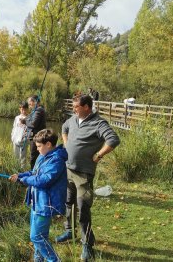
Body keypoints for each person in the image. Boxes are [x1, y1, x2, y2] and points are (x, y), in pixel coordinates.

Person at [56, 94, 120, 261]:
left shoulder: (98, 123)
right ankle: (69, 231)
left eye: (76, 107)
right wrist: (66, 142)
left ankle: (87, 243)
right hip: (67, 169)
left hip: (83, 173)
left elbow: (113, 139)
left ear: (86, 107)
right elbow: (64, 128)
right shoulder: (73, 119)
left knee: (83, 206)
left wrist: (99, 155)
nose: (73, 110)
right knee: (68, 202)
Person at [9, 129, 68, 262]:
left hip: (45, 204)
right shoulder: (43, 156)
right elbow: (35, 173)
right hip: (37, 202)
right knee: (42, 236)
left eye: (39, 146)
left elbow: (44, 180)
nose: (37, 149)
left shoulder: (57, 160)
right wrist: (20, 176)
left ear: (48, 144)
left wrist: (25, 180)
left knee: (36, 237)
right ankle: (38, 260)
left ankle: (54, 260)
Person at [21, 95, 46, 169]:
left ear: (34, 102)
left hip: (37, 137)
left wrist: (25, 121)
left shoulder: (39, 110)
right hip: (34, 137)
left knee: (34, 157)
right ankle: (34, 172)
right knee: (34, 156)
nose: (29, 105)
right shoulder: (35, 111)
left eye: (29, 103)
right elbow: (30, 120)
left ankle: (33, 173)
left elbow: (33, 124)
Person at [11, 101, 29, 168]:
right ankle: (15, 169)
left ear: (27, 109)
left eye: (24, 109)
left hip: (24, 140)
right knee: (16, 156)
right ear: (19, 109)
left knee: (23, 157)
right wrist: (12, 137)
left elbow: (30, 130)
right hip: (15, 139)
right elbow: (14, 128)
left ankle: (22, 171)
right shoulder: (17, 118)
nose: (23, 111)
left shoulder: (29, 118)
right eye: (22, 109)